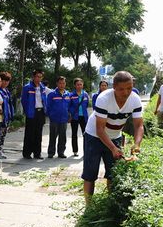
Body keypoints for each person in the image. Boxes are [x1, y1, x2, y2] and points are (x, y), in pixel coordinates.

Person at [81, 71, 144, 205]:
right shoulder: (103, 99)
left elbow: (139, 126)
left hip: (115, 136)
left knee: (113, 173)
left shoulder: (135, 99)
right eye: (121, 89)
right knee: (90, 173)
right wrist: (113, 148)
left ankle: (111, 204)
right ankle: (89, 206)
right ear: (114, 87)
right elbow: (100, 129)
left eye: (129, 88)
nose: (126, 92)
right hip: (94, 136)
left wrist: (137, 144)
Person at [21, 70, 47, 159]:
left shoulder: (42, 87)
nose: (38, 79)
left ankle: (37, 153)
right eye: (37, 77)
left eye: (40, 77)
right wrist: (27, 111)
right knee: (29, 133)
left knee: (38, 133)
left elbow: (45, 100)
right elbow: (23, 101)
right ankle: (27, 153)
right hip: (31, 112)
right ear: (33, 77)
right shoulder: (27, 87)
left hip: (40, 112)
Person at [46, 76, 71, 159]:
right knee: (53, 136)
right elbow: (48, 107)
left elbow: (69, 106)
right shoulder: (52, 94)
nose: (62, 85)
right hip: (54, 119)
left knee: (63, 137)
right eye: (60, 83)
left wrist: (69, 115)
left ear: (65, 84)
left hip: (64, 119)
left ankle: (61, 152)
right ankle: (51, 152)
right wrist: (51, 116)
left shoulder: (68, 95)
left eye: (63, 83)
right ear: (57, 83)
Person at [69, 78, 90, 157]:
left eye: (81, 84)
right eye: (77, 84)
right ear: (75, 85)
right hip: (75, 117)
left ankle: (86, 151)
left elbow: (86, 104)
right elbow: (69, 106)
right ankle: (75, 151)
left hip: (84, 117)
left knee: (85, 134)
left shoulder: (85, 95)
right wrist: (71, 113)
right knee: (74, 134)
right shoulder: (71, 95)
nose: (79, 86)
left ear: (83, 85)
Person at [0, 72, 14, 159]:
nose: (5, 83)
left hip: (7, 116)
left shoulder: (7, 91)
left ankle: (0, 149)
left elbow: (10, 104)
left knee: (3, 134)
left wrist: (11, 115)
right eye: (4, 81)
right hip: (0, 117)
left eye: (7, 81)